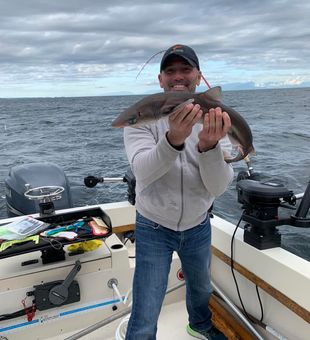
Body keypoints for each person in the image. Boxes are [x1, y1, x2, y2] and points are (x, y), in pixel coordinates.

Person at [124, 44, 234, 340]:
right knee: (146, 304)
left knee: (201, 288)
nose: (178, 76)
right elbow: (143, 172)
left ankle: (199, 325)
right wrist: (173, 139)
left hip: (199, 224)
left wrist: (210, 147)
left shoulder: (215, 118)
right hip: (153, 226)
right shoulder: (142, 116)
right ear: (160, 79)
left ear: (198, 76)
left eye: (185, 69)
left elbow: (219, 186)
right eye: (170, 71)